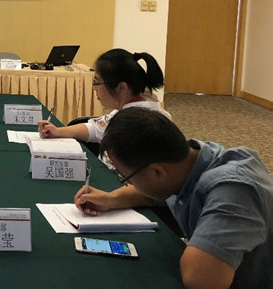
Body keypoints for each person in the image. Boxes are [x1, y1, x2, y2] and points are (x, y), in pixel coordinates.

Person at [74, 108, 272, 289]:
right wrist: (110, 199)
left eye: (126, 177)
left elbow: (200, 279)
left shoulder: (234, 192)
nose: (128, 184)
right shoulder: (189, 160)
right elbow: (152, 194)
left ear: (157, 172)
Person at [38, 48, 168, 168]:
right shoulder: (130, 108)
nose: (94, 88)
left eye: (97, 82)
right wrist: (58, 131)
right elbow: (97, 129)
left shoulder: (142, 123)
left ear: (121, 88)